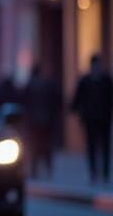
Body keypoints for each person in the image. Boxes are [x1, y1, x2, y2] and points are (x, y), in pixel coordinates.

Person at [71, 54, 113, 184]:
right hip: (90, 119)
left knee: (105, 146)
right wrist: (76, 111)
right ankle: (93, 172)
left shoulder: (106, 80)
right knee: (91, 146)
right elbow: (77, 99)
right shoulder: (85, 81)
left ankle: (105, 173)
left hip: (104, 118)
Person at [24, 63, 61, 179]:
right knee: (46, 146)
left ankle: (35, 170)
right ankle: (48, 168)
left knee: (35, 146)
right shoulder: (48, 84)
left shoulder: (30, 85)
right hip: (46, 120)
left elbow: (24, 102)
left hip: (34, 121)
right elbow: (56, 102)